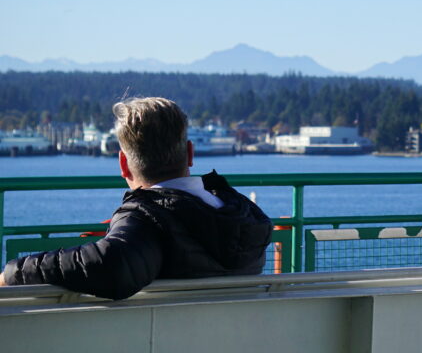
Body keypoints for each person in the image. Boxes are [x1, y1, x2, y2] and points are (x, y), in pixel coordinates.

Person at [0, 97, 272, 299]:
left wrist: (14, 272)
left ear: (124, 164)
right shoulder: (242, 214)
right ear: (190, 153)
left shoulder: (148, 220)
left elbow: (112, 265)